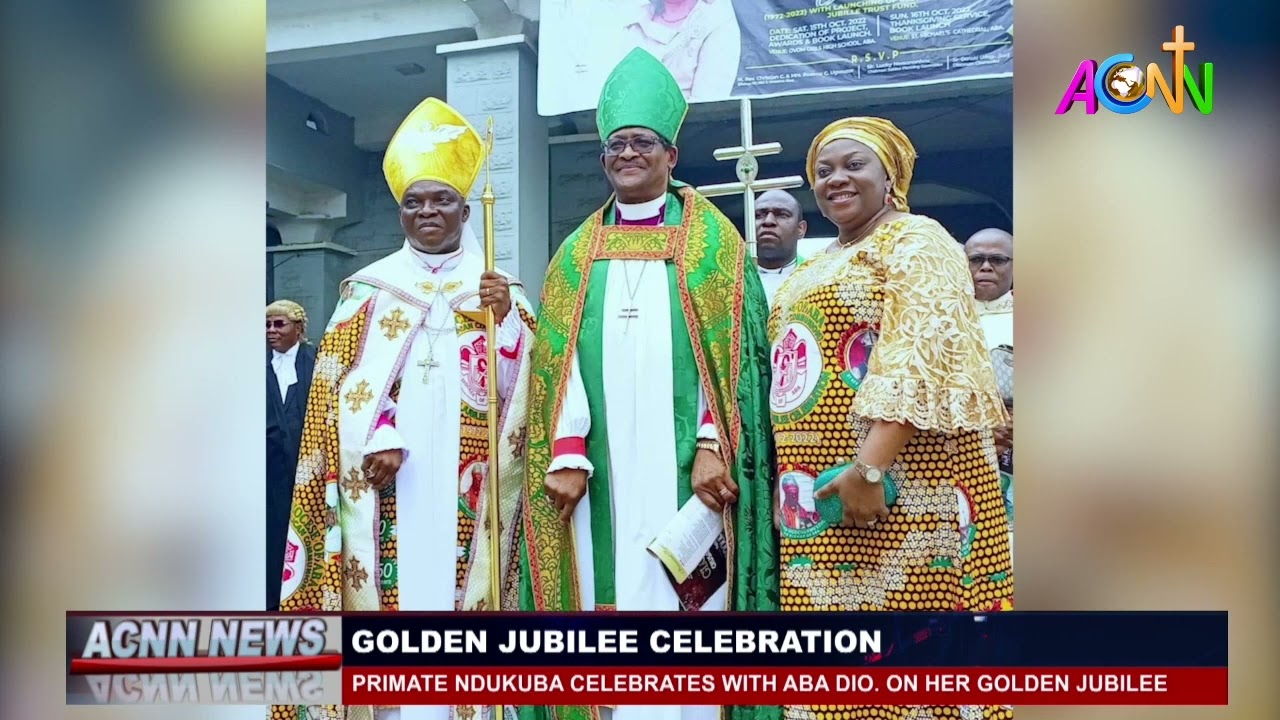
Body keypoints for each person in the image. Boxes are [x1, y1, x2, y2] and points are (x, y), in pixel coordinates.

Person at [520, 48, 777, 720]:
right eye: (615, 145)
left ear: (671, 153)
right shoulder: (577, 251)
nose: (626, 154)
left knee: (689, 611)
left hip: (687, 471)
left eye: (641, 143)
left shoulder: (715, 247)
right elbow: (557, 360)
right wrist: (568, 450)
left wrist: (715, 442)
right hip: (601, 472)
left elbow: (735, 366)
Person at [273, 97, 535, 720]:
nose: (427, 213)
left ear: (465, 210)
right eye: (414, 203)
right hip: (390, 483)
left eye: (441, 200)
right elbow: (338, 384)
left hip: (471, 483)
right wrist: (377, 432)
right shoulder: (369, 289)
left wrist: (505, 326)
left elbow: (527, 394)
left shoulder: (502, 287)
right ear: (400, 214)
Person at [769, 117, 1013, 720]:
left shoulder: (917, 239)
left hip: (909, 490)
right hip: (821, 504)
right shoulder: (815, 261)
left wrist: (869, 468)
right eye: (823, 171)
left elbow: (922, 350)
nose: (836, 180)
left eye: (855, 165)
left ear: (891, 176)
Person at [265, 300, 316, 611]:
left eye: (279, 325)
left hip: (307, 464)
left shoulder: (317, 360)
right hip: (267, 471)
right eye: (268, 326)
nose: (271, 332)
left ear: (298, 328)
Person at [966, 228, 1014, 538]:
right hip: (961, 449)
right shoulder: (938, 319)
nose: (985, 267)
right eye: (976, 260)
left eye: (997, 260)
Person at [624, 0, 742, 100]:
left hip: (686, 123)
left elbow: (706, 105)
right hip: (626, 122)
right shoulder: (635, 12)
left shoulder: (718, 20)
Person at [754, 189, 808, 307]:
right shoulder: (730, 279)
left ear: (801, 229)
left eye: (782, 215)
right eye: (758, 215)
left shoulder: (817, 277)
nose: (768, 221)